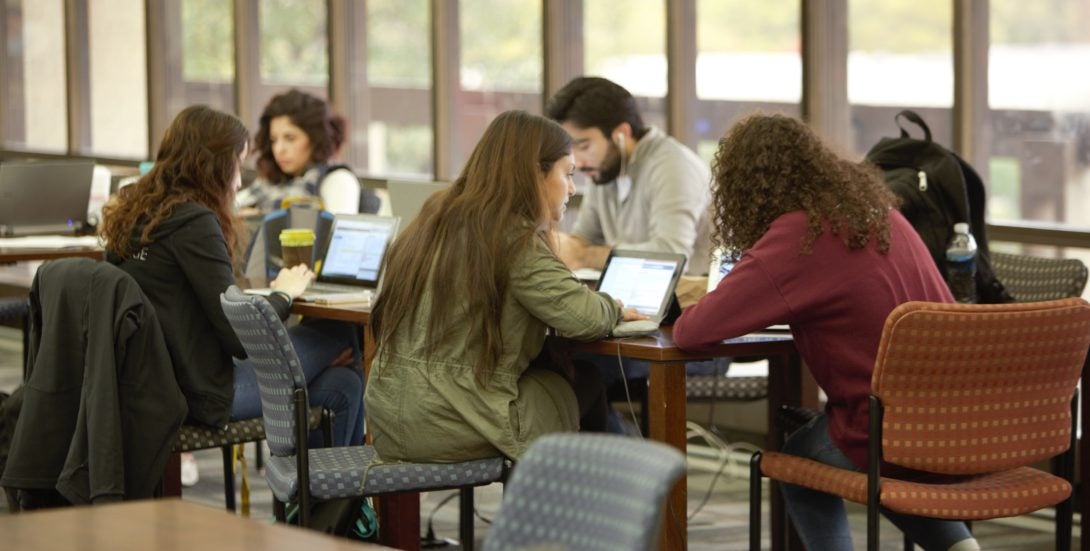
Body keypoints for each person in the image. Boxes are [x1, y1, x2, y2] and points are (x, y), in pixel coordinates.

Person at [672, 114, 978, 551]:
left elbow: (692, 333)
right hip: (966, 423)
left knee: (799, 454)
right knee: (876, 452)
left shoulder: (798, 235)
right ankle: (959, 546)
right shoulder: (882, 213)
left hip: (892, 435)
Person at [364, 110, 645, 462]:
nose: (573, 189)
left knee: (548, 373)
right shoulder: (512, 236)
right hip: (446, 422)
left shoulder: (433, 216)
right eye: (568, 174)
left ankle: (550, 510)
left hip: (389, 417)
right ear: (534, 173)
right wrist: (614, 307)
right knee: (584, 380)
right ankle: (574, 511)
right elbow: (584, 318)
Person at [100, 105, 365, 448]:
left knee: (344, 385)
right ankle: (343, 493)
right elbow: (238, 338)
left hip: (148, 387)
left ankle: (323, 500)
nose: (239, 181)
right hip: (203, 394)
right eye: (238, 165)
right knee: (342, 332)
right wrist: (283, 295)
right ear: (215, 166)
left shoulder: (134, 214)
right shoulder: (194, 221)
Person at [544, 76, 712, 276]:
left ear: (622, 133)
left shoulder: (674, 166)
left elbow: (672, 255)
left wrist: (585, 256)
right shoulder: (604, 169)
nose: (578, 163)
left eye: (584, 146)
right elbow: (585, 239)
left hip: (692, 298)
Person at [237, 89, 379, 215]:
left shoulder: (337, 178)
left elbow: (341, 240)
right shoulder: (268, 183)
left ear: (315, 139)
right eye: (274, 140)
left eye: (290, 138)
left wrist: (260, 220)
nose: (279, 149)